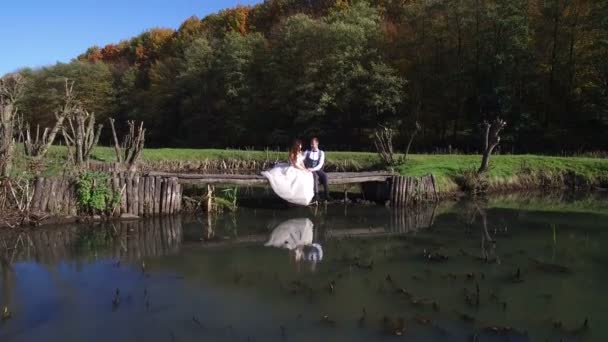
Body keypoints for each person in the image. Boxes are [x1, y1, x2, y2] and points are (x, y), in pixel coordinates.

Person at [261, 140, 315, 205]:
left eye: (301, 145)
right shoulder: (292, 153)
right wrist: (303, 169)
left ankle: (306, 197)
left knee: (308, 175)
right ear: (296, 146)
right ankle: (294, 196)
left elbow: (301, 162)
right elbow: (295, 164)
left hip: (300, 168)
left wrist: (305, 168)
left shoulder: (300, 152)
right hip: (294, 168)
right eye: (300, 145)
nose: (301, 146)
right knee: (298, 178)